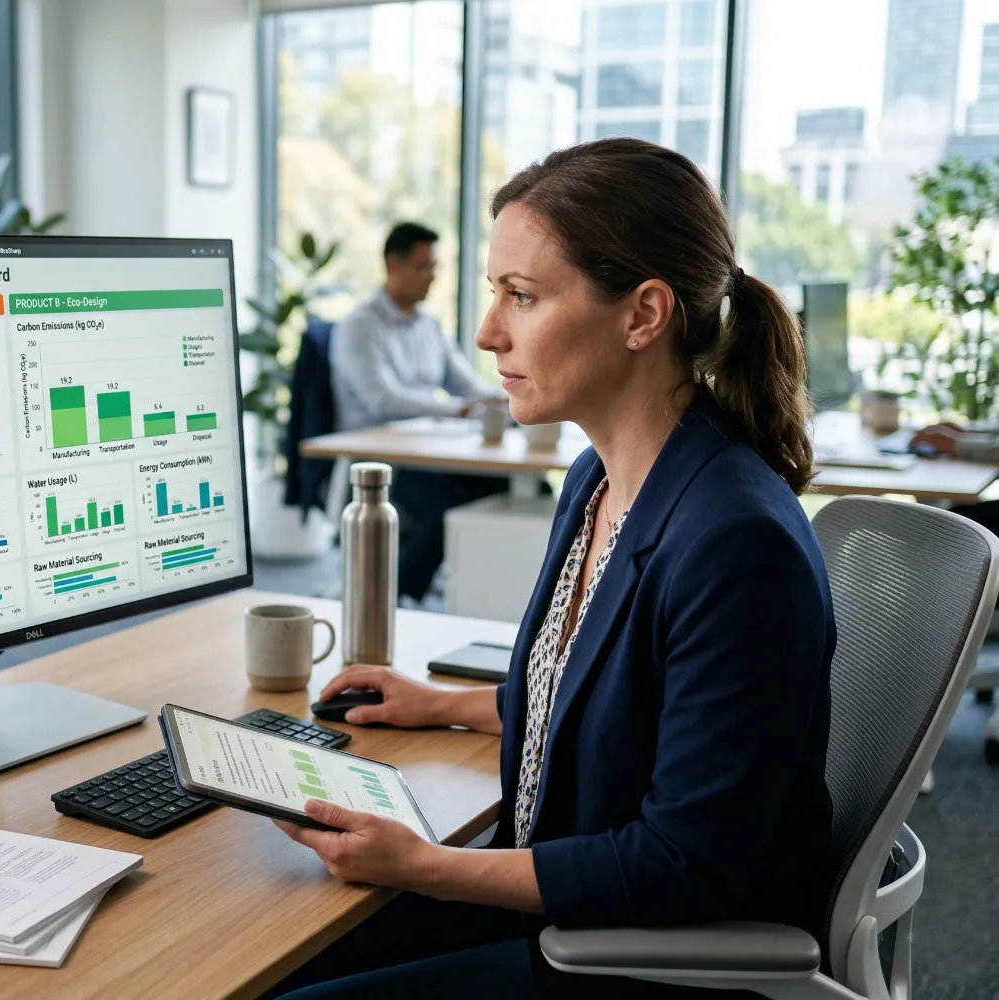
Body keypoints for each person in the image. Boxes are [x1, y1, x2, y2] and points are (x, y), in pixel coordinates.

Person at [268, 138, 836, 999]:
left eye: (521, 297)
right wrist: (446, 705)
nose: (488, 331)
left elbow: (684, 863)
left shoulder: (734, 542)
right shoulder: (599, 477)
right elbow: (616, 700)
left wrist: (428, 867)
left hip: (633, 958)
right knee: (271, 952)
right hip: (563, 901)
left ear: (643, 315)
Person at [329, 222, 509, 603]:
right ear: (394, 264)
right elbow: (384, 401)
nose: (432, 278)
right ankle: (399, 596)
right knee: (447, 505)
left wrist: (506, 400)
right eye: (423, 266)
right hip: (381, 459)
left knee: (508, 489)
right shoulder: (360, 327)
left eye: (435, 268)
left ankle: (489, 598)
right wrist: (462, 409)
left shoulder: (429, 326)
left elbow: (464, 383)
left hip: (428, 453)